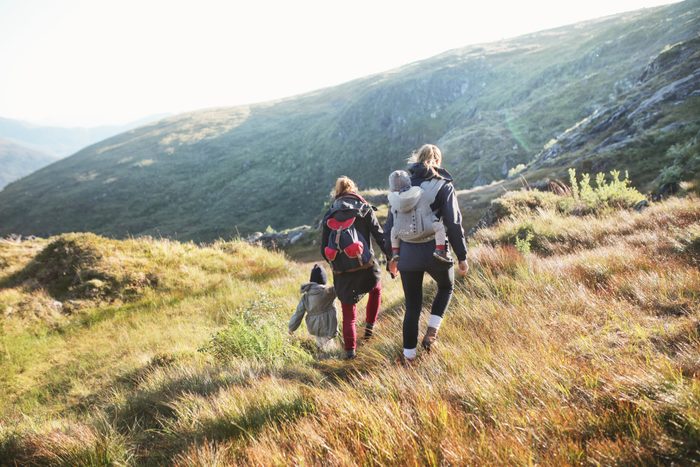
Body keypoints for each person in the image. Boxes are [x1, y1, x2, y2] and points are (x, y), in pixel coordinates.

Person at [383, 144, 469, 364]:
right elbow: (453, 222)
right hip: (435, 252)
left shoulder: (401, 186)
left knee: (412, 306)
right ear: (438, 162)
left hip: (407, 254)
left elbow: (390, 226)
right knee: (446, 286)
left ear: (417, 159)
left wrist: (391, 258)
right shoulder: (443, 185)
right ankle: (431, 332)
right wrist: (462, 256)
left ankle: (408, 358)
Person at [321, 176, 389, 359]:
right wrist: (392, 258)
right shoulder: (365, 209)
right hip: (367, 266)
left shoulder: (330, 214)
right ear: (354, 190)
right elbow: (380, 237)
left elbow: (323, 250)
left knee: (348, 313)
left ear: (337, 192)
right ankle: (369, 328)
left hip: (342, 272)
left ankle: (350, 352)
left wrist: (338, 263)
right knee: (376, 290)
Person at [387, 169, 450, 265]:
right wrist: (441, 179)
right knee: (440, 227)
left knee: (393, 230)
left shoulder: (393, 199)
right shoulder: (419, 192)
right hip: (424, 230)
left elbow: (392, 211)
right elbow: (432, 192)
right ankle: (440, 251)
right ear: (408, 181)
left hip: (403, 233)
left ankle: (395, 251)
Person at [288, 264, 338, 351]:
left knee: (320, 344)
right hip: (329, 325)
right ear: (324, 280)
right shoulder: (329, 292)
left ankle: (321, 355)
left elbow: (298, 313)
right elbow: (341, 287)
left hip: (315, 327)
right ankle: (328, 357)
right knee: (330, 348)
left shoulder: (305, 297)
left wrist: (291, 328)